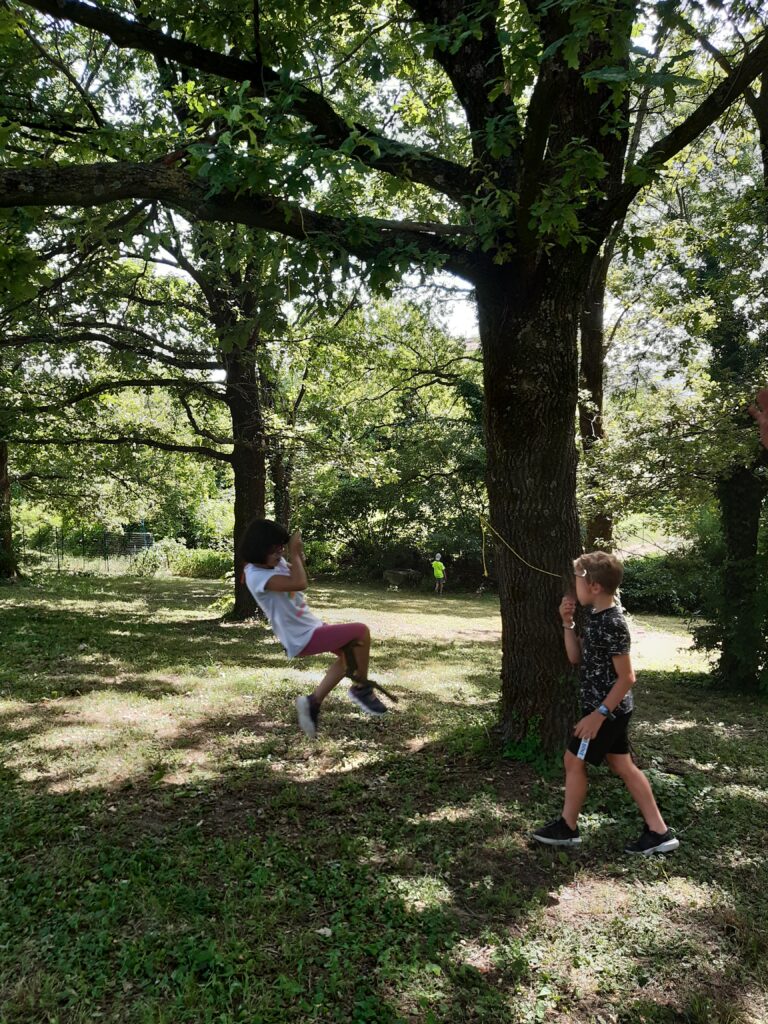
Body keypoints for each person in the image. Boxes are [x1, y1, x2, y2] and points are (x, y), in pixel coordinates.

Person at [532, 551, 679, 856]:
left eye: (577, 581)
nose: (574, 588)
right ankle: (659, 831)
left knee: (573, 761)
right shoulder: (595, 618)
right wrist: (567, 623)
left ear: (595, 586)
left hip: (606, 712)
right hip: (608, 709)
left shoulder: (612, 622)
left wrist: (598, 716)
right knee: (621, 764)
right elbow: (577, 658)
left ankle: (567, 828)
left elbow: (627, 677)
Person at [240, 519, 389, 739]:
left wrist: (292, 555)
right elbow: (300, 583)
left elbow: (296, 572)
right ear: (258, 550)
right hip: (301, 636)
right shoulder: (259, 576)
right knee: (360, 631)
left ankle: (313, 702)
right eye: (274, 551)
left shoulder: (268, 564)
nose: (279, 555)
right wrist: (295, 554)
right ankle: (361, 689)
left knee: (352, 656)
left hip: (311, 627)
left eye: (281, 549)